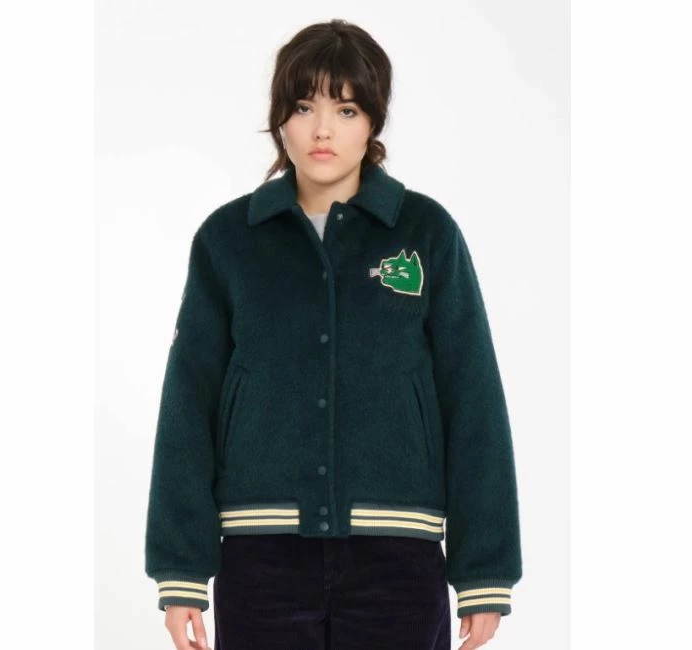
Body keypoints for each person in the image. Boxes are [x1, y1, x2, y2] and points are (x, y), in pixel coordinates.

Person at [145, 18, 523, 650]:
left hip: (399, 559)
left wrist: (484, 572)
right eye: (303, 107)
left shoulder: (426, 233)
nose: (323, 130)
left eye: (346, 109)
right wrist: (180, 570)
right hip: (260, 560)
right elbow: (189, 404)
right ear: (280, 119)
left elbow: (474, 399)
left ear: (372, 121)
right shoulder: (228, 241)